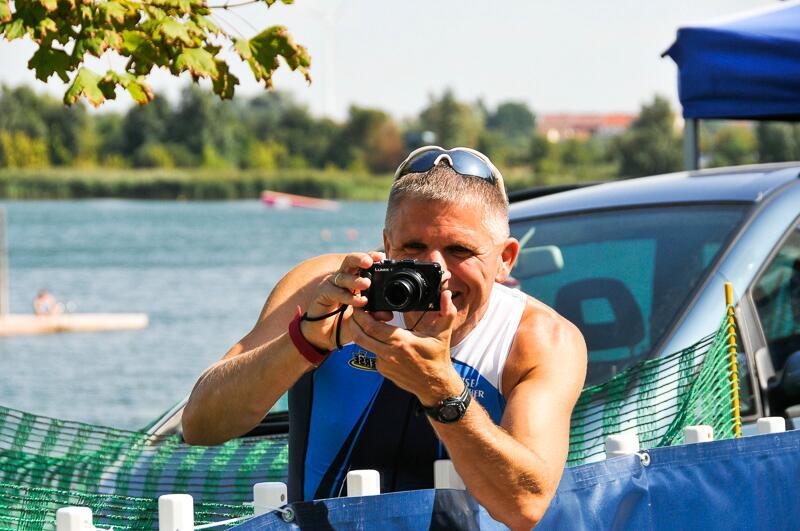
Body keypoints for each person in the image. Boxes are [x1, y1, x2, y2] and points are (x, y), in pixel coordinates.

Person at [183, 146, 587, 529]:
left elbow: (525, 505)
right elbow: (200, 424)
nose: (436, 271)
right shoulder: (329, 289)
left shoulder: (538, 338)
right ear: (387, 244)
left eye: (459, 250)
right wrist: (304, 342)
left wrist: (440, 389)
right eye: (414, 247)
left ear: (505, 260)